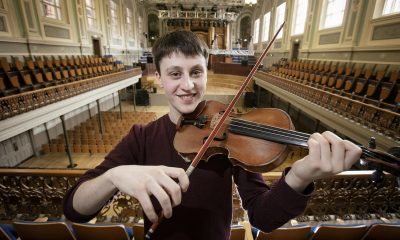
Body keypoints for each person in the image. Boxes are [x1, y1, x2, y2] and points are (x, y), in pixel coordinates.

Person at [63, 31, 362, 240]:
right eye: (175, 73)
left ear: (207, 72)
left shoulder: (229, 137)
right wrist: (114, 175)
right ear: (158, 78)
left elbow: (262, 217)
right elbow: (75, 208)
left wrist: (300, 175)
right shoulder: (142, 136)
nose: (188, 85)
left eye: (196, 72)